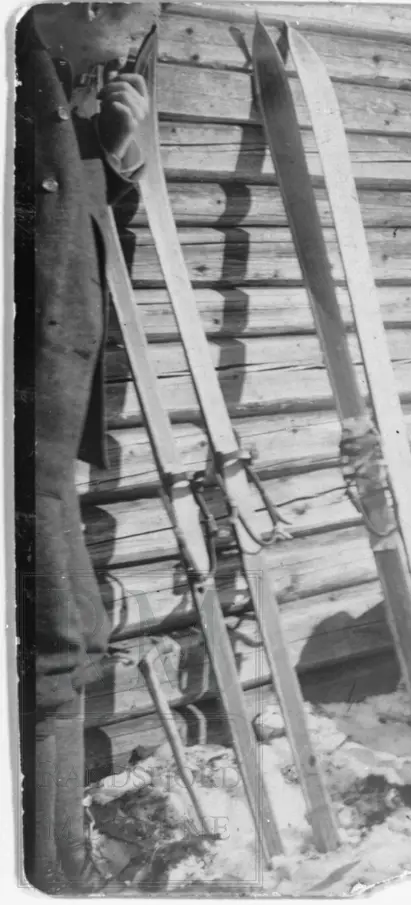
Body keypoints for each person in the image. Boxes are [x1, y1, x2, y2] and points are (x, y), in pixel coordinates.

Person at [14, 3, 157, 892]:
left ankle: (54, 858)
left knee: (67, 627)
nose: (119, 45)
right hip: (26, 404)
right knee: (59, 628)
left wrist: (119, 150)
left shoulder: (72, 130)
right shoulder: (25, 101)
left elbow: (99, 250)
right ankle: (50, 865)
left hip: (51, 410)